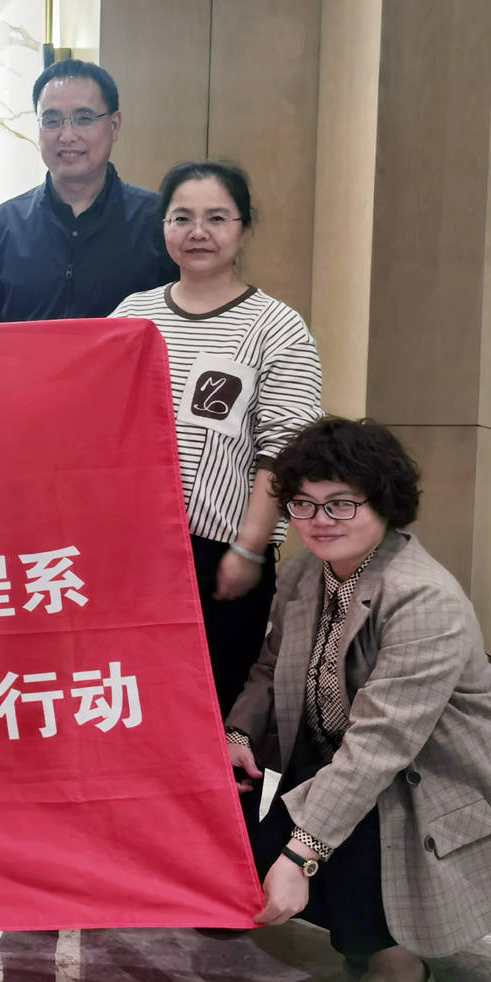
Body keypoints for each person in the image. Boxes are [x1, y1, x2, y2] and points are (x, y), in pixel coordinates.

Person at [228, 418, 491, 982]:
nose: (320, 520)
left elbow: (380, 747)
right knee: (242, 861)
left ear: (384, 503)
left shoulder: (423, 597)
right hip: (342, 763)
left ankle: (400, 971)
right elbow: (271, 668)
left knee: (344, 836)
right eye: (303, 503)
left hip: (426, 783)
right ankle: (355, 918)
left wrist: (300, 857)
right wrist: (238, 734)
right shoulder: (301, 573)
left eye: (341, 503)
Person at [110, 161, 321, 716]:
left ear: (243, 227)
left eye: (217, 218)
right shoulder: (132, 315)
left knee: (214, 709)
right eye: (182, 217)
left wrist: (248, 550)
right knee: (134, 704)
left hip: (221, 555)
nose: (197, 232)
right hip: (133, 551)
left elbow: (285, 454)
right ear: (163, 226)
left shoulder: (277, 327)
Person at [0, 59, 175, 322]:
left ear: (114, 126)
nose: (67, 136)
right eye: (51, 121)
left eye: (84, 119)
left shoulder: (158, 221)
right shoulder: (0, 227)